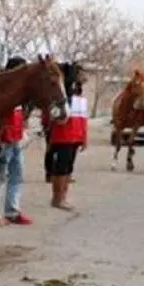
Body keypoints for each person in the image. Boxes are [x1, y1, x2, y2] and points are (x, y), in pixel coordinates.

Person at [0, 56, 32, 225]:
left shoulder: (21, 92)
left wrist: (24, 131)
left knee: (17, 176)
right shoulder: (0, 89)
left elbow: (21, 114)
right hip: (3, 140)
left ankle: (12, 211)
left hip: (16, 140)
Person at [45, 76, 88, 210]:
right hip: (62, 138)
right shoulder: (58, 101)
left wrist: (84, 138)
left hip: (75, 139)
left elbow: (84, 120)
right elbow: (52, 118)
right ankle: (57, 199)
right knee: (61, 170)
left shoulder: (82, 101)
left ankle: (63, 196)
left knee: (68, 169)